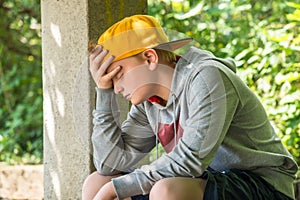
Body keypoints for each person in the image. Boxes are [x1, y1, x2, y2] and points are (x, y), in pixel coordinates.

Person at [82, 15, 298, 200]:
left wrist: (114, 189)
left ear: (150, 58)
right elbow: (109, 165)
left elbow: (189, 161)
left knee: (167, 190)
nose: (116, 86)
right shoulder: (149, 102)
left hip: (262, 185)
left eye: (117, 74)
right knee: (97, 182)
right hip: (204, 180)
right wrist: (103, 92)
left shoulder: (207, 77)